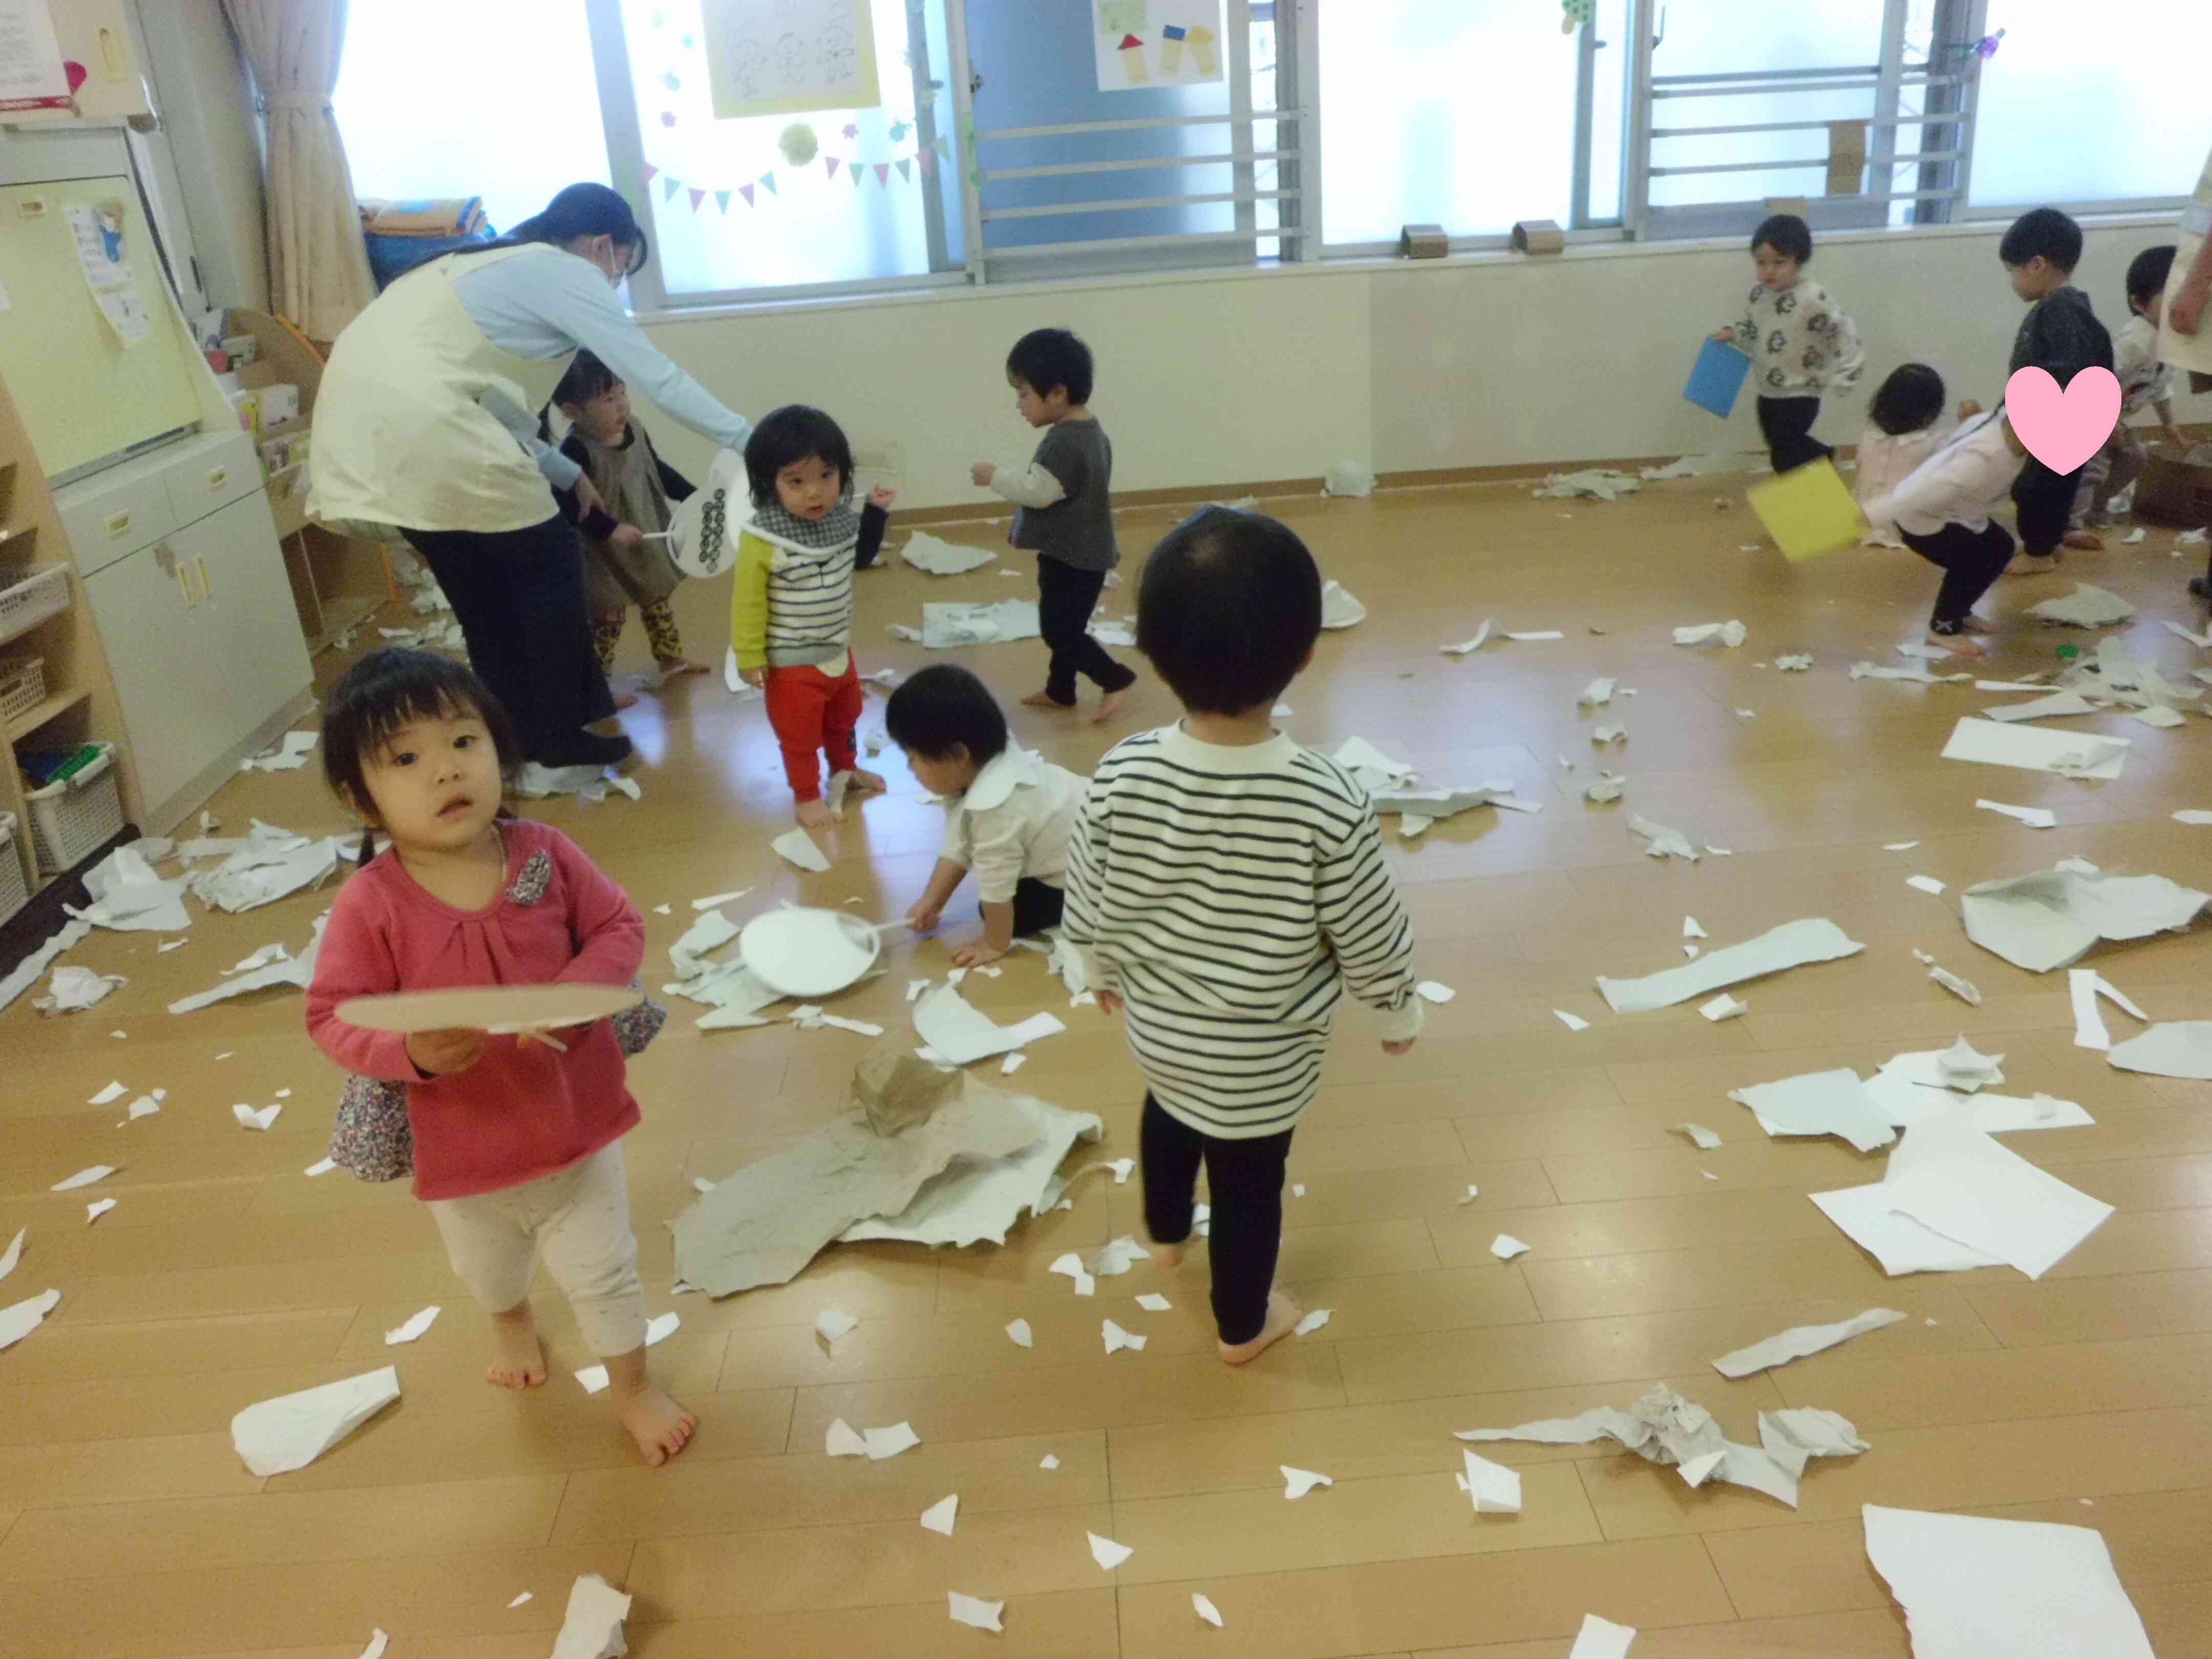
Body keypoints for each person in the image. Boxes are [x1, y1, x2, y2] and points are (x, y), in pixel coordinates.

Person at [303, 648, 695, 1466]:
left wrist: (576, 989)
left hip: (577, 1131)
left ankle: (630, 1387)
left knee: (608, 1276)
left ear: (500, 749)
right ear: (358, 798)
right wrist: (408, 1050)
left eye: (463, 742)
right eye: (405, 759)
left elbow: (619, 926)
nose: (445, 772)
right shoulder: (371, 904)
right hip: (466, 1155)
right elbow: (331, 1016)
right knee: (489, 1273)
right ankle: (512, 1320)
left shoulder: (544, 854)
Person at [1061, 507, 1421, 1365]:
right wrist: (1396, 1006)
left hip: (1159, 1028)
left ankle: (1165, 1235)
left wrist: (1092, 961)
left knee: (1170, 1117)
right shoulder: (1326, 799)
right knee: (1251, 1186)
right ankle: (1241, 1325)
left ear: (1152, 651)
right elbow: (1370, 926)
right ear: (1304, 654)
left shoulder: (1123, 769)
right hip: (1262, 1057)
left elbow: (1090, 881)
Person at [311, 183, 753, 771]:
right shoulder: (560, 271)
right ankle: (561, 735)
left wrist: (567, 472)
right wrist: (758, 443)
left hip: (364, 433)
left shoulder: (479, 265)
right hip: (428, 425)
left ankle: (518, 739)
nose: (616, 280)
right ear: (602, 247)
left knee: (485, 600)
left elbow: (497, 405)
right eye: (623, 265)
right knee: (546, 562)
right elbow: (657, 377)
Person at [729, 406, 897, 826]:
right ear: (771, 485)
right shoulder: (763, 535)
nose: (815, 492)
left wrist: (875, 514)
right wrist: (749, 656)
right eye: (796, 482)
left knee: (846, 717)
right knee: (799, 736)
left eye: (827, 476)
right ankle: (806, 796)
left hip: (839, 648)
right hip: (791, 662)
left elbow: (860, 558)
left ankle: (846, 769)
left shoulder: (838, 519)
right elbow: (748, 600)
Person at [969, 328, 1138, 723]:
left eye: (1024, 394)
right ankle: (1061, 690)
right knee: (1069, 625)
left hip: (1074, 558)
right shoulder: (1091, 432)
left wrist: (993, 476)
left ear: (1058, 394)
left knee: (1059, 631)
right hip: (1082, 552)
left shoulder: (1063, 443)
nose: (1019, 405)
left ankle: (1115, 677)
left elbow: (1038, 492)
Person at [889, 664, 1087, 968]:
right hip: (1086, 835)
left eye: (913, 758)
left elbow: (997, 885)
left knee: (1004, 912)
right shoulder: (987, 759)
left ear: (957, 756)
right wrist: (933, 901)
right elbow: (959, 843)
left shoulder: (998, 809)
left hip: (1098, 873)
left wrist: (994, 943)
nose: (910, 769)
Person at [548, 350, 709, 707]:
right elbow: (571, 506)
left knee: (657, 595)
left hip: (642, 533)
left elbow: (657, 470)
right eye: (608, 399)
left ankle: (671, 659)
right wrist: (610, 529)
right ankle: (598, 685)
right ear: (574, 412)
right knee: (609, 617)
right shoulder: (575, 451)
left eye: (622, 393)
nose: (621, 406)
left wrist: (696, 497)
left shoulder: (634, 429)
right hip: (599, 548)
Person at [1859, 377, 2027, 659]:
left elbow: (1977, 424)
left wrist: (1971, 415)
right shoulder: (1980, 462)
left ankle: (1961, 611)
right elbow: (1924, 493)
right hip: (1922, 521)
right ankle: (1943, 629)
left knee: (2000, 547)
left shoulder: (1993, 423)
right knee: (1976, 561)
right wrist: (1870, 513)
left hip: (1957, 512)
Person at [2000, 207, 2114, 565]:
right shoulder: (2070, 305)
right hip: (2070, 423)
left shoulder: (2059, 310)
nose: (2013, 281)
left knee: (2036, 490)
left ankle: (2038, 554)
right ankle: (2050, 542)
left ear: (2036, 265)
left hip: (2061, 425)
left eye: (2013, 271)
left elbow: (2066, 369)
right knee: (2050, 489)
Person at [1712, 214, 1864, 474]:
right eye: (1761, 263)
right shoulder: (1757, 295)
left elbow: (1844, 332)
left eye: (1779, 263)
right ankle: (1824, 455)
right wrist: (1733, 335)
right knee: (1778, 445)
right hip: (1768, 388)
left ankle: (1805, 499)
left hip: (1802, 390)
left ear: (1799, 262)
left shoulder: (1813, 297)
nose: (1769, 271)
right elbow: (1753, 333)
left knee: (1783, 456)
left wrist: (1847, 374)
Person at [2072, 245, 2188, 536]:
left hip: (2111, 417)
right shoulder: (2137, 340)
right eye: (2170, 295)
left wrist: (2170, 426)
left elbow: (2160, 388)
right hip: (2085, 411)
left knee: (2136, 457)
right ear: (2139, 303)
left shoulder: (2171, 341)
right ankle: (2069, 524)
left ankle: (2096, 506)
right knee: (2093, 467)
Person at [1854, 364, 1964, 549]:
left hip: (1865, 521)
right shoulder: (1933, 442)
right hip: (1910, 529)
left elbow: (1860, 469)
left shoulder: (1869, 437)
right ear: (1932, 409)